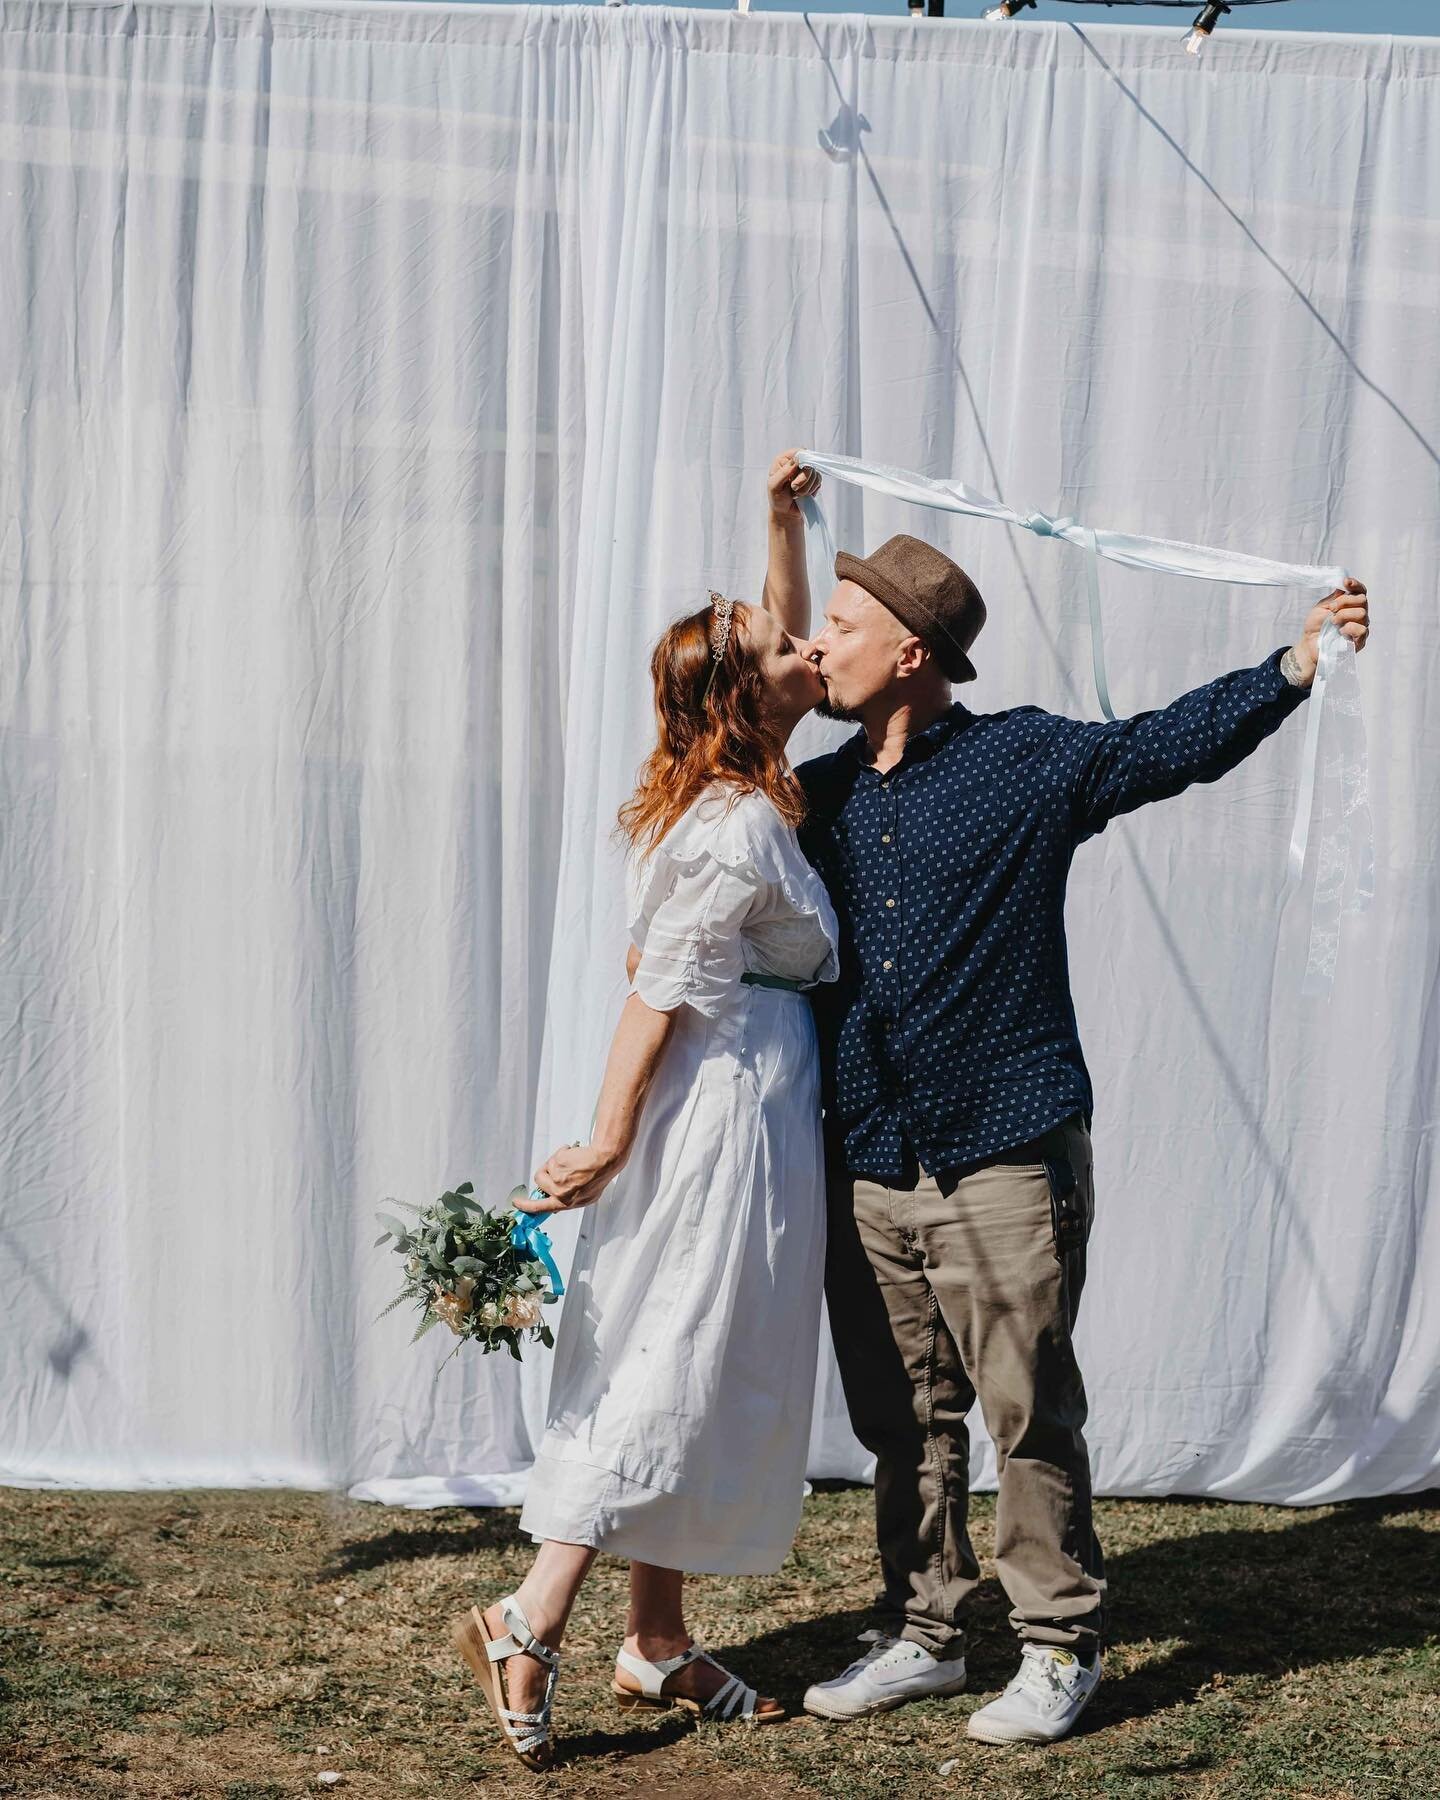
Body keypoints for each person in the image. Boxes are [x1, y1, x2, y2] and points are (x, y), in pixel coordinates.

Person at [761, 500, 1369, 1745]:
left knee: (1026, 1408)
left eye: (842, 628)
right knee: (900, 1418)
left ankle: (1058, 1643)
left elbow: (1163, 747)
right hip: (870, 1150)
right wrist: (781, 525)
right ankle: (926, 1633)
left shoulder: (1024, 762)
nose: (819, 649)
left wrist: (1295, 665)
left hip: (1005, 1147)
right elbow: (756, 686)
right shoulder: (812, 796)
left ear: (910, 653)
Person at [449, 453, 836, 1770]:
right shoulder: (734, 824)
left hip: (750, 1114)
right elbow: (657, 993)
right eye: (781, 644)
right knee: (667, 1361)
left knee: (704, 1360)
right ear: (749, 692)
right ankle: (529, 1616)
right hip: (717, 1125)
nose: (808, 643)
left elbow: (775, 640)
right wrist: (607, 1141)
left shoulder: (749, 780)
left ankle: (656, 1638)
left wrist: (783, 520)